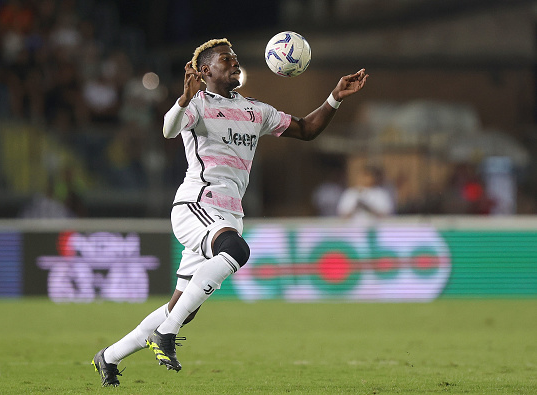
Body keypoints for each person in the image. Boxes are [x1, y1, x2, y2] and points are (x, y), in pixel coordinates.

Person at [92, 38, 368, 387]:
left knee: (183, 309)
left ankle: (110, 356)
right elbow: (168, 129)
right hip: (197, 205)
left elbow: (306, 129)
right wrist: (182, 99)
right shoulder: (197, 105)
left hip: (228, 214)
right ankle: (166, 333)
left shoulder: (256, 110)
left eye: (236, 58)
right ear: (206, 71)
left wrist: (334, 98)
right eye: (227, 59)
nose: (235, 63)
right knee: (236, 251)